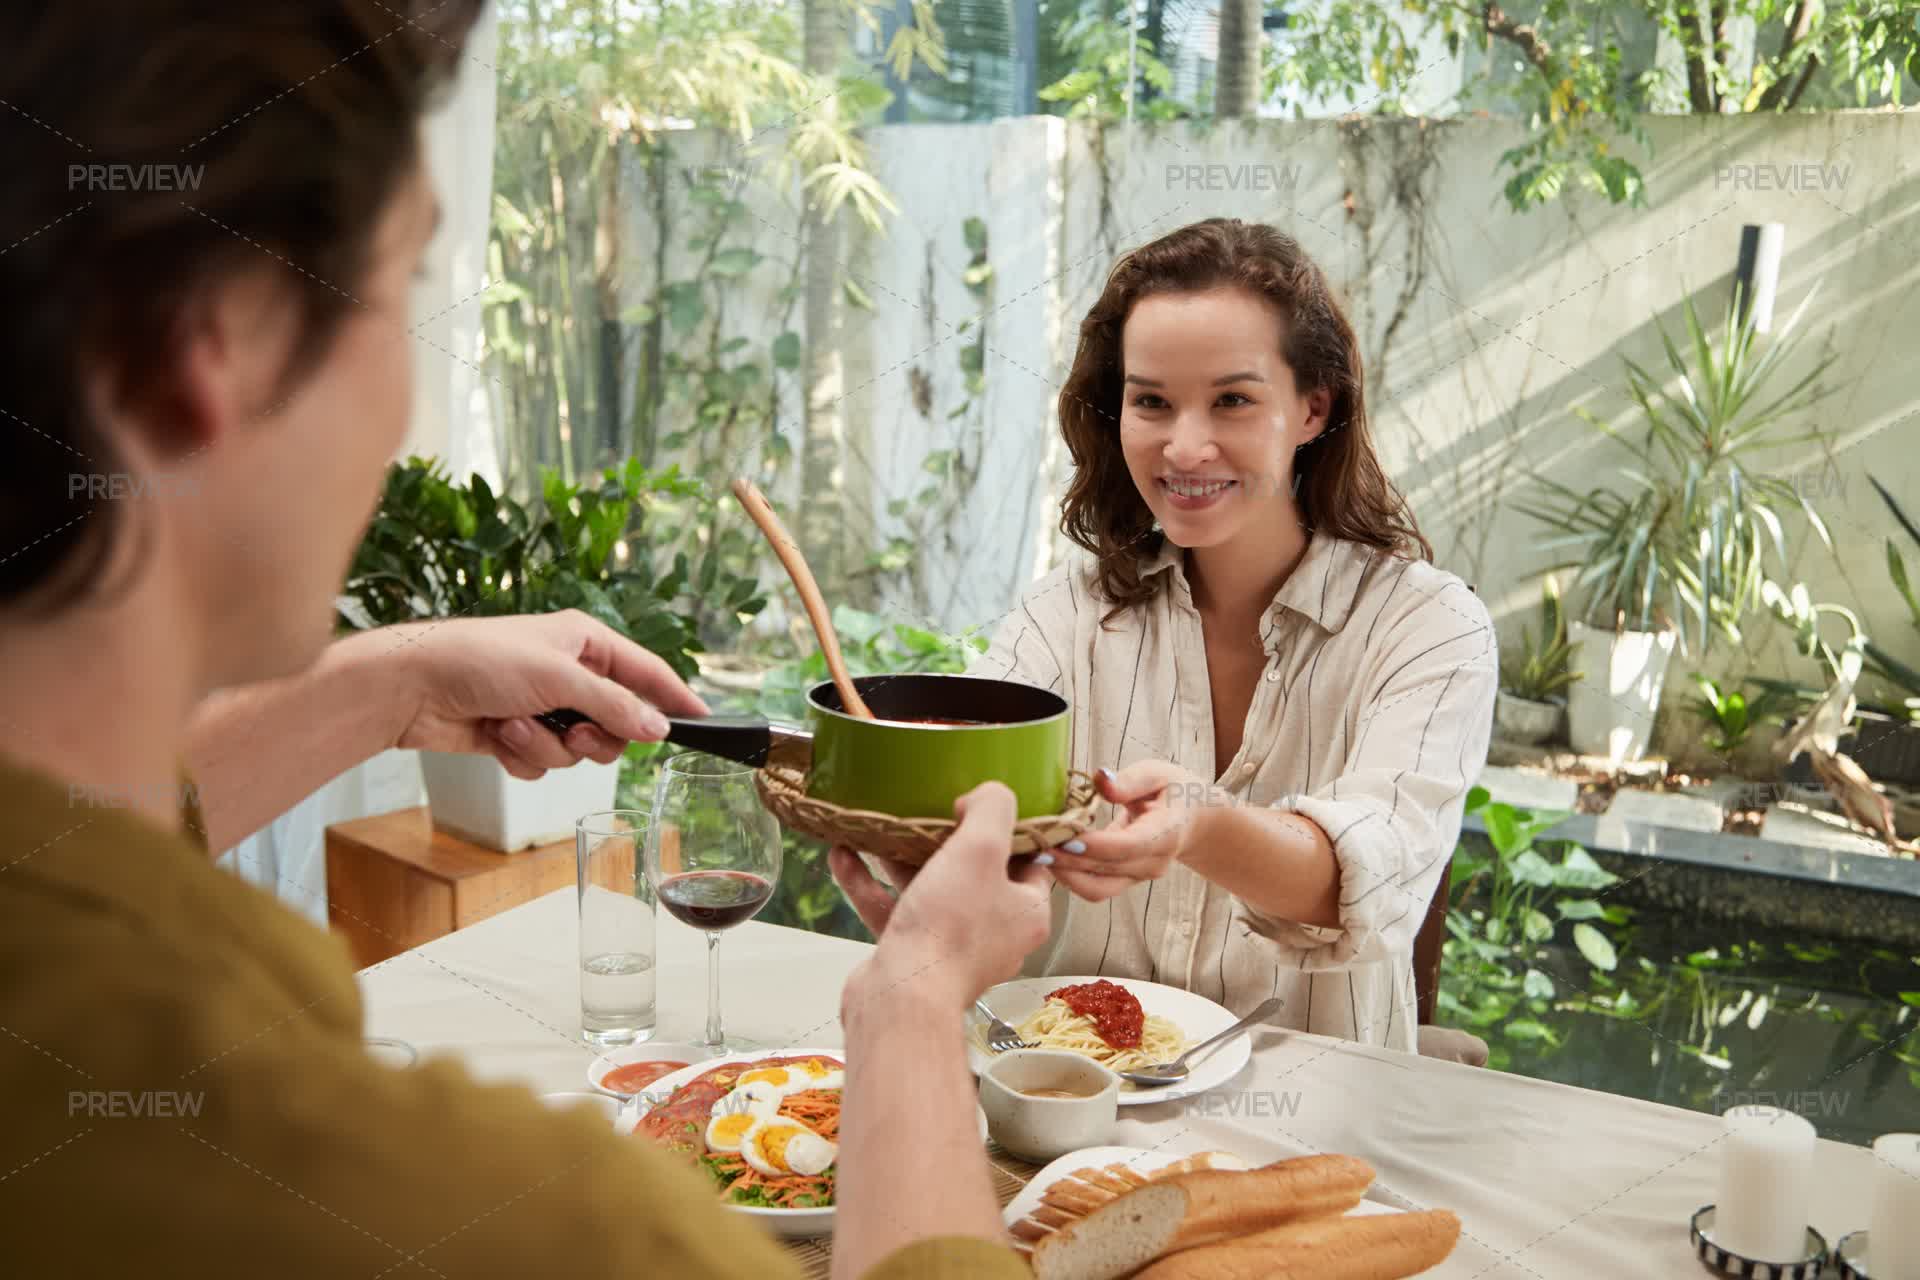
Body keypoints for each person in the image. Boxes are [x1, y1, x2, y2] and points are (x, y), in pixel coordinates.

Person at [0, 5, 1049, 1277]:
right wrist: (912, 999)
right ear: (204, 354)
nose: (400, 414)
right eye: (396, 291)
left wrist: (397, 678)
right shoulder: (452, 1206)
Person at [833, 219, 1497, 1056]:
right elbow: (970, 794)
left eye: (1233, 399)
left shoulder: (1428, 627)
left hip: (1317, 1127)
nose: (1184, 446)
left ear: (1312, 407)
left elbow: (1374, 871)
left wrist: (1200, 822)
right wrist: (931, 875)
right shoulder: (1062, 616)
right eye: (1151, 401)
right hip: (1068, 1105)